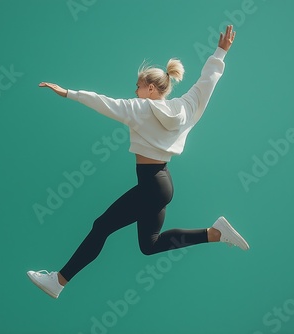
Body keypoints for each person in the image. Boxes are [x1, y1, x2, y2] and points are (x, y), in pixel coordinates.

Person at [28, 25, 249, 299]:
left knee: (101, 226)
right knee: (149, 245)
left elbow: (102, 102)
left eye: (138, 86)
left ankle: (58, 281)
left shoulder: (139, 108)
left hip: (152, 186)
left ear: (151, 88)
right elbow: (207, 82)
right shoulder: (186, 107)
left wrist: (67, 92)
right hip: (161, 183)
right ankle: (214, 233)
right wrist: (221, 52)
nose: (135, 91)